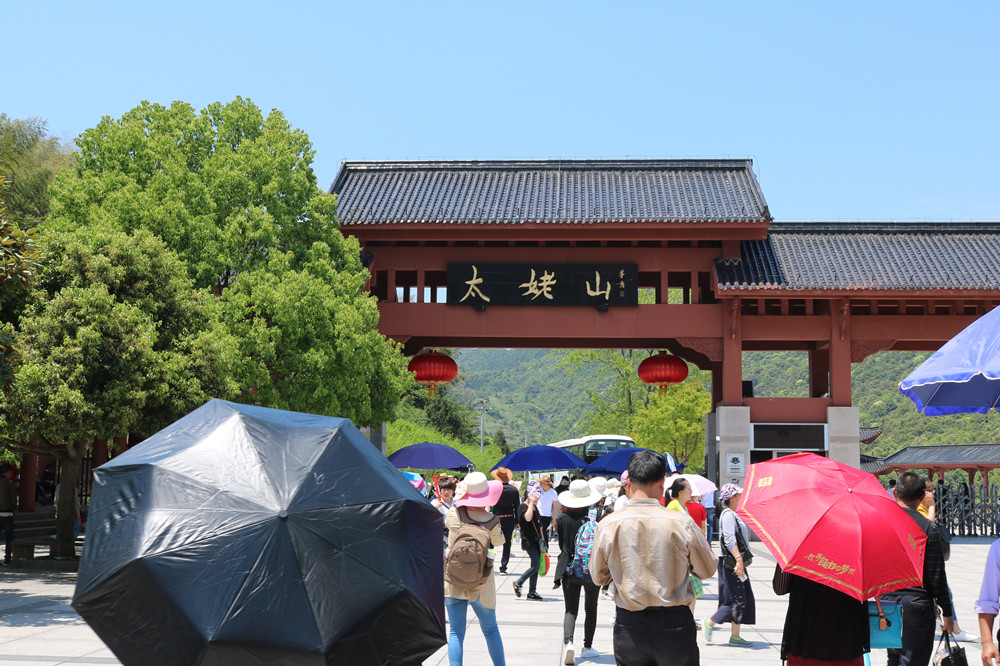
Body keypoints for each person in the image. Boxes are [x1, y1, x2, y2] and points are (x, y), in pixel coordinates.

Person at [590, 450, 717, 666]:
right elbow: (707, 569)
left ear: (629, 482)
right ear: (662, 482)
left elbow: (598, 577)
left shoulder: (608, 524)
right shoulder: (681, 523)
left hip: (630, 626)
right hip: (674, 625)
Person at [882, 471, 953, 666]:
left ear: (895, 492)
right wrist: (947, 612)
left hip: (887, 601)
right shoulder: (928, 528)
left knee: (893, 659)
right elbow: (937, 574)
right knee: (913, 660)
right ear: (923, 497)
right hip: (918, 602)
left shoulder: (882, 522)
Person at [444, 472, 507, 666]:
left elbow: (448, 523)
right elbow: (500, 541)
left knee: (456, 632)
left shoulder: (453, 514)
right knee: (490, 629)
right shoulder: (492, 520)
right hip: (481, 581)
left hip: (454, 578)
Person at [773, 564, 868, 664]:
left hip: (805, 640)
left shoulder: (799, 555)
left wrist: (784, 561)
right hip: (846, 642)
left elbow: (780, 588)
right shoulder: (858, 557)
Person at [556, 479, 605, 664]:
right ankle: (588, 647)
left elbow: (562, 546)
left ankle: (569, 643)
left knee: (570, 610)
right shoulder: (594, 520)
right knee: (591, 609)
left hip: (569, 568)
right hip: (590, 569)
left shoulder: (562, 519)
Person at [704, 483, 756, 646]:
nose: (741, 497)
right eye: (739, 495)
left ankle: (735, 635)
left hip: (734, 561)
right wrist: (739, 559)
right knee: (734, 599)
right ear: (732, 498)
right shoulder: (728, 514)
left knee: (741, 598)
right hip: (732, 563)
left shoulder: (732, 514)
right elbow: (729, 539)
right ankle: (710, 622)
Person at [514, 480, 544, 600]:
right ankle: (519, 582)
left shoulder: (535, 507)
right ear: (529, 494)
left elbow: (539, 525)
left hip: (537, 541)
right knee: (536, 565)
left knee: (535, 565)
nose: (537, 498)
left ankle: (532, 592)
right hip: (528, 541)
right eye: (535, 496)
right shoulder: (523, 507)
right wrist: (531, 503)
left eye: (538, 496)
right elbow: (527, 518)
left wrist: (543, 540)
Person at [491, 468, 519, 574]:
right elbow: (517, 507)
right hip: (509, 518)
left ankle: (488, 563)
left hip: (496, 518)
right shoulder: (514, 490)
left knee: (491, 542)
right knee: (507, 543)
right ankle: (503, 566)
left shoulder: (494, 490)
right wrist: (517, 521)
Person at [0, 463, 17, 566]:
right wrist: (15, 507)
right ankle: (7, 559)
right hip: (7, 513)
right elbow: (13, 497)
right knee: (9, 537)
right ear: (8, 472)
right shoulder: (9, 483)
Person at [537, 475, 559, 544]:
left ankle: (545, 548)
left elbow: (555, 507)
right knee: (537, 533)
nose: (540, 484)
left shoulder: (553, 493)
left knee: (545, 533)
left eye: (541, 483)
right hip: (538, 514)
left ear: (546, 484)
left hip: (547, 516)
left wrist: (554, 519)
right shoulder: (539, 491)